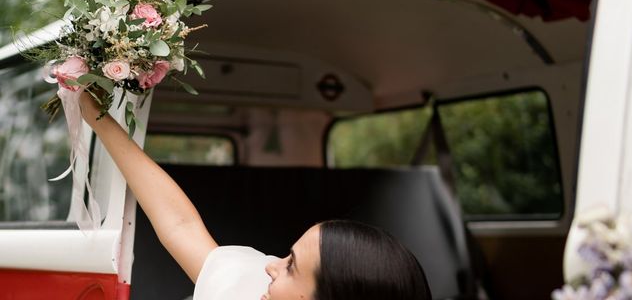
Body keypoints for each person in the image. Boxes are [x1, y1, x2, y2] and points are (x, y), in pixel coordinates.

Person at [79, 92, 432, 300]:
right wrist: (97, 117)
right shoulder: (250, 288)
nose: (270, 265)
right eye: (286, 256)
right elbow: (181, 225)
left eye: (291, 268)